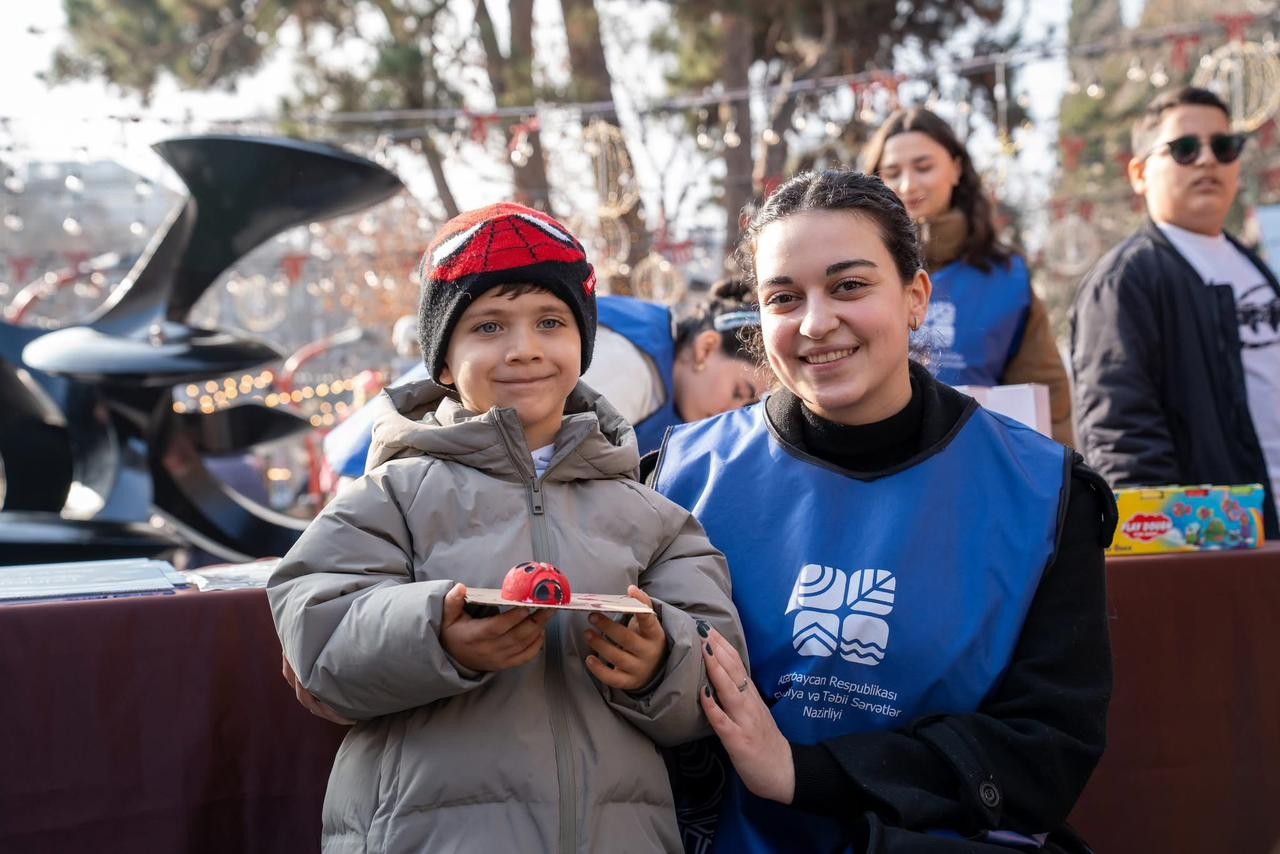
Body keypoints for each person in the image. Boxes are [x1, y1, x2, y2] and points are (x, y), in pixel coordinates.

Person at [648, 170, 1115, 852]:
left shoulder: (1043, 494)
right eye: (784, 297)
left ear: (916, 297)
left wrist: (807, 773)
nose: (815, 322)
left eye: (849, 286)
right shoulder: (682, 478)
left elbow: (1046, 748)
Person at [267, 202, 745, 853]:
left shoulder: (653, 514)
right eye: (489, 325)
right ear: (441, 361)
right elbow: (315, 634)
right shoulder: (393, 495)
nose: (524, 349)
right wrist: (435, 632)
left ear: (582, 345)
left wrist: (663, 662)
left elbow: (722, 671)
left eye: (550, 322)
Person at [1071, 86, 1280, 538]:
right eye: (1185, 149)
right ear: (1139, 172)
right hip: (1221, 545)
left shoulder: (1256, 268)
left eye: (1223, 147)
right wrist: (1164, 558)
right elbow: (1120, 440)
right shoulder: (1125, 280)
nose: (1207, 160)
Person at [322, 281, 769, 479]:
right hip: (394, 468)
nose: (737, 413)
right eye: (740, 393)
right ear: (706, 349)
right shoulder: (628, 368)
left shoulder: (654, 366)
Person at [862, 108, 1076, 446]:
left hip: (980, 460)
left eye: (924, 167)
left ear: (956, 168)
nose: (907, 184)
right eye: (891, 172)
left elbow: (1046, 396)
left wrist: (1063, 484)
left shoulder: (1006, 277)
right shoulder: (854, 274)